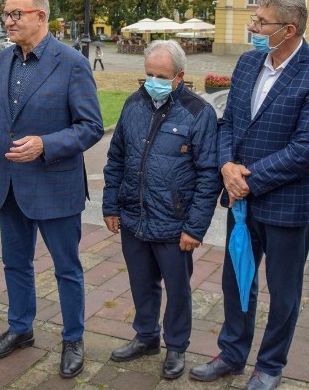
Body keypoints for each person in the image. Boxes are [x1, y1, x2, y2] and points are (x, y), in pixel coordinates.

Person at [190, 0, 309, 390]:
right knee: (237, 279)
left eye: (261, 23)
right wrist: (225, 165)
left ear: (288, 29)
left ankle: (270, 366)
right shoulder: (247, 62)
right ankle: (233, 353)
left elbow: (307, 149)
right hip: (241, 200)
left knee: (283, 290)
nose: (252, 28)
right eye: (253, 20)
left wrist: (246, 179)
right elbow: (228, 124)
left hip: (286, 203)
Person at [0, 0, 103, 378]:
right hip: (10, 183)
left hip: (56, 184)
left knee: (67, 268)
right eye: (5, 14)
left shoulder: (72, 63)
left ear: (40, 16)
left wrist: (46, 144)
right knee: (15, 264)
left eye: (15, 14)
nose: (8, 21)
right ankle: (20, 328)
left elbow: (91, 127)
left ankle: (73, 338)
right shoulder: (1, 59)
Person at [103, 40, 220, 380]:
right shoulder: (133, 104)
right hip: (134, 214)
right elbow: (116, 158)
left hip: (174, 220)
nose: (153, 81)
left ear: (180, 76)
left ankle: (177, 346)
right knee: (141, 282)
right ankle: (146, 336)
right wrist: (111, 205)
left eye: (161, 75)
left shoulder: (199, 112)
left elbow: (208, 175)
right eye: (148, 74)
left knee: (178, 288)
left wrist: (195, 228)